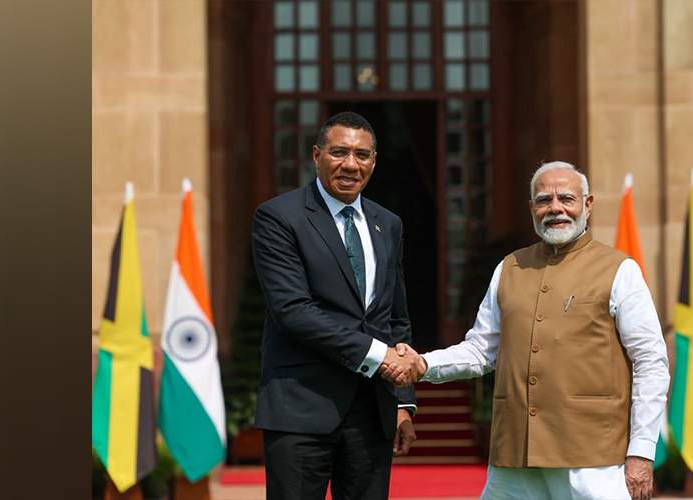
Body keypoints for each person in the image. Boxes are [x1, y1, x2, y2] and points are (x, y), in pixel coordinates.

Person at [381, 161, 670, 500]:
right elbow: (480, 350)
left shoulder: (620, 270)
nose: (555, 208)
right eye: (544, 200)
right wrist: (422, 366)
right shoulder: (510, 267)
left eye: (566, 198)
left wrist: (641, 451)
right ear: (532, 208)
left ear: (587, 205)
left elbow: (651, 364)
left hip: (594, 461)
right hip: (514, 458)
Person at [251, 111, 427, 500]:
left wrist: (402, 403)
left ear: (374, 161)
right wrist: (378, 356)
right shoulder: (279, 217)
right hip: (301, 411)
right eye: (339, 152)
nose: (351, 164)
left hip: (373, 414)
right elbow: (292, 311)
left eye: (362, 155)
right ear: (316, 155)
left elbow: (394, 317)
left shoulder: (389, 223)